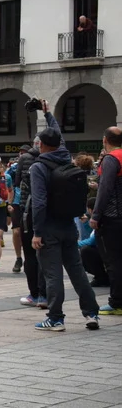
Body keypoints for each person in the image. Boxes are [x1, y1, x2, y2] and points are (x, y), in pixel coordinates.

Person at [29, 102, 100, 331]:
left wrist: (37, 232)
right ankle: (91, 313)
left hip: (49, 227)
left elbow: (39, 202)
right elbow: (57, 133)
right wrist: (48, 113)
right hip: (69, 225)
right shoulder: (65, 156)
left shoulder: (39, 167)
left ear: (41, 145)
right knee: (77, 271)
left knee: (53, 274)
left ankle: (56, 318)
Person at [92, 126, 122, 314]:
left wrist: (96, 215)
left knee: (113, 261)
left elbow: (105, 189)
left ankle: (117, 302)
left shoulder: (111, 159)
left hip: (113, 217)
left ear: (105, 140)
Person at [16, 144, 48, 308]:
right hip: (50, 213)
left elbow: (17, 182)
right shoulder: (55, 160)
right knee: (46, 255)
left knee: (30, 254)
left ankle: (34, 294)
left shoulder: (25, 159)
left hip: (28, 211)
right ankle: (45, 295)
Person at [79, 200, 108, 285]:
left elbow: (92, 240)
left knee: (85, 250)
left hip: (106, 252)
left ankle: (102, 277)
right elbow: (92, 233)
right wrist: (85, 223)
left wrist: (74, 244)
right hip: (104, 250)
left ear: (90, 210)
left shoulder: (101, 220)